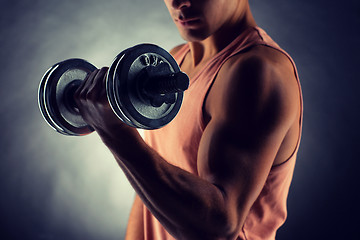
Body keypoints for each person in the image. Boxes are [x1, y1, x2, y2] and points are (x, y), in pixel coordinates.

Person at [74, 0, 303, 239]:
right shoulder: (175, 60)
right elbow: (149, 189)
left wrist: (117, 133)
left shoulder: (259, 71)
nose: (178, 2)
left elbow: (218, 228)